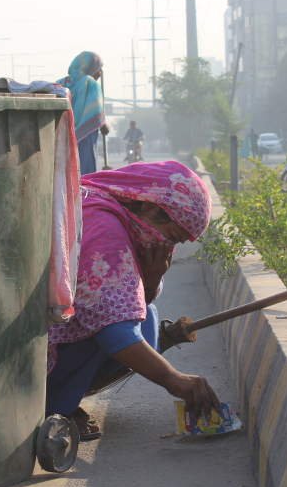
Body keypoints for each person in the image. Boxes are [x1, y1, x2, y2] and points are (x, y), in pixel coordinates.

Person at [46, 161, 220, 440]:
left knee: (146, 316)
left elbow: (127, 307)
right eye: (170, 236)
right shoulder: (105, 229)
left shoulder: (103, 206)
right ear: (150, 208)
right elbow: (115, 332)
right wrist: (174, 380)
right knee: (104, 327)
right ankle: (55, 408)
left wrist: (149, 281)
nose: (167, 247)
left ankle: (63, 397)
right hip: (38, 347)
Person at [58, 52, 110, 175]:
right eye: (98, 68)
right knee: (85, 172)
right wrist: (103, 125)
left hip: (62, 136)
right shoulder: (90, 83)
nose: (100, 73)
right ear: (90, 68)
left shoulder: (61, 83)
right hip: (84, 135)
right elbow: (96, 113)